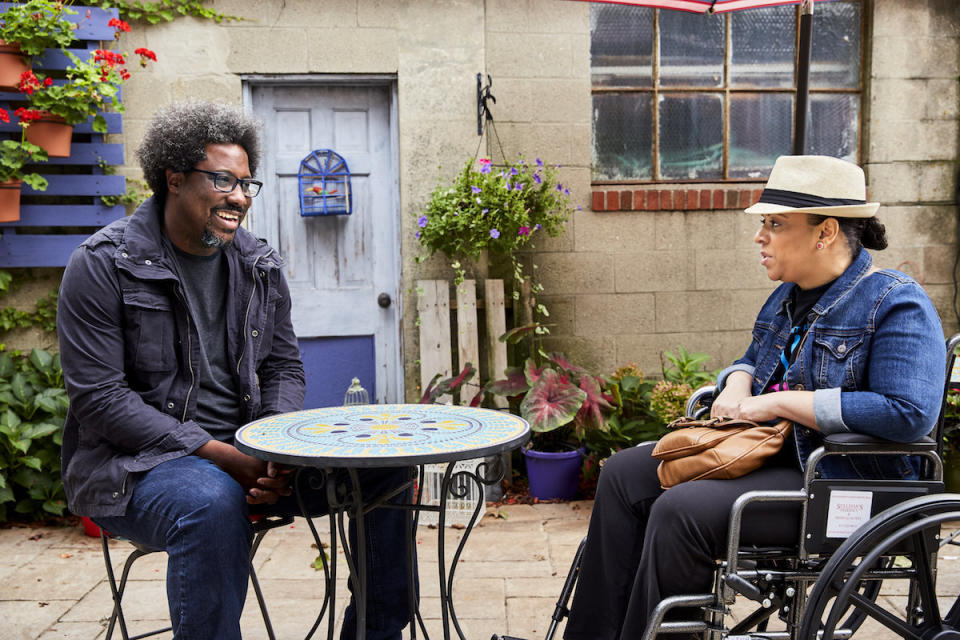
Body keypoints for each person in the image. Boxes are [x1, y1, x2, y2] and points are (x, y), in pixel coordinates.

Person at [58, 101, 413, 640]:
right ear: (173, 179)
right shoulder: (102, 264)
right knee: (211, 503)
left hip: (251, 452)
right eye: (223, 180)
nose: (240, 197)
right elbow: (101, 398)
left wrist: (273, 449)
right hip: (136, 469)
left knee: (384, 467)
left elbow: (283, 364)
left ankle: (374, 634)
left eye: (248, 183)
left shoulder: (258, 263)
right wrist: (226, 457)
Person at [563, 155, 946, 640]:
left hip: (841, 479)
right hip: (770, 454)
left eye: (775, 223)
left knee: (681, 511)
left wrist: (781, 403)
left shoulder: (895, 302)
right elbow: (753, 360)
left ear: (825, 231)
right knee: (622, 474)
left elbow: (907, 414)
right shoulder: (788, 294)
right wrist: (738, 382)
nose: (759, 236)